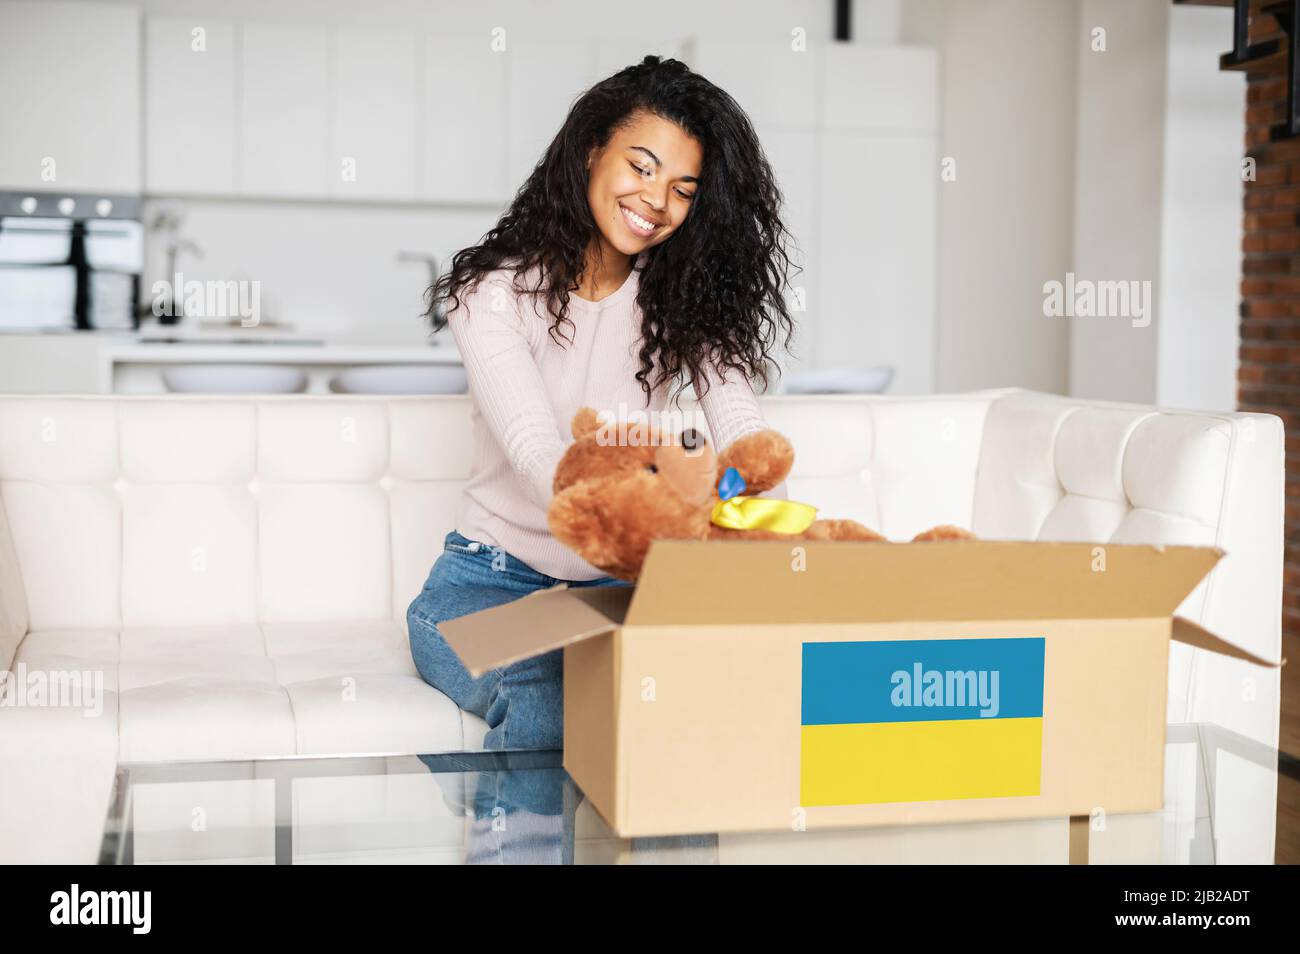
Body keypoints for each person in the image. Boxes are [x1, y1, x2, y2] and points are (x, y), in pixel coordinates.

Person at [406, 54, 797, 861]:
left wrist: (749, 490)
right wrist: (640, 503)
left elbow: (736, 412)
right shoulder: (492, 292)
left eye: (683, 189)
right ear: (591, 152)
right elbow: (537, 452)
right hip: (488, 582)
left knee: (684, 699)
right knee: (550, 694)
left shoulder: (678, 297)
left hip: (617, 591)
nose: (656, 201)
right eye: (642, 166)